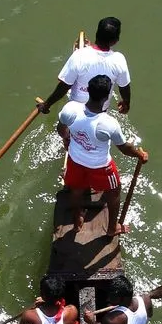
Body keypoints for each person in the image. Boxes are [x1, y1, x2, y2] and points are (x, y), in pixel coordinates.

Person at [57, 75, 148, 238]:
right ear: (107, 97)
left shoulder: (70, 110)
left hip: (75, 161)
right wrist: (140, 154)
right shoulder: (108, 124)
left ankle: (77, 220)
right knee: (114, 193)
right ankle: (112, 228)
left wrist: (67, 139)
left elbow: (61, 128)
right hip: (100, 166)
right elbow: (124, 149)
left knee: (75, 190)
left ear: (88, 91)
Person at [38, 16, 131, 114]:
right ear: (116, 40)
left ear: (97, 34)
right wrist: (126, 103)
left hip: (74, 112)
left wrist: (46, 105)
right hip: (100, 112)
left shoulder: (79, 55)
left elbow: (64, 86)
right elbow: (124, 87)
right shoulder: (119, 60)